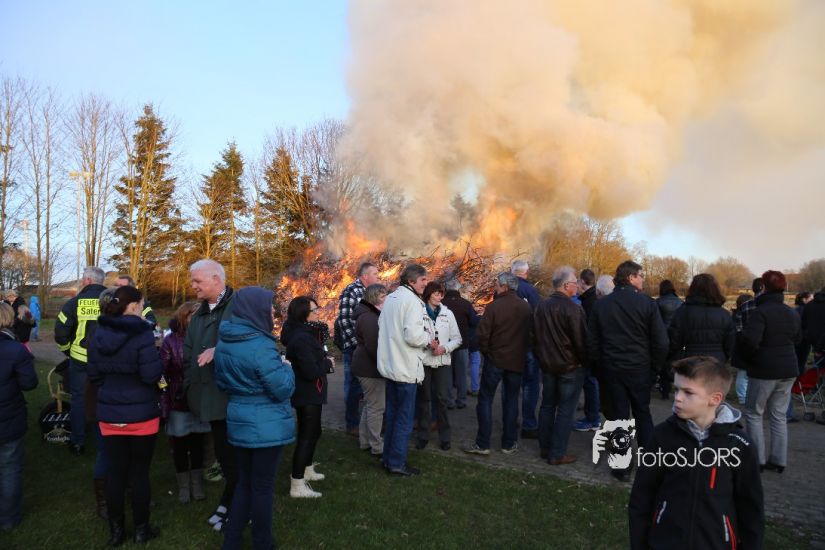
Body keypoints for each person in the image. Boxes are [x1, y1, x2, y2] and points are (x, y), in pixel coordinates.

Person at [628, 356, 764, 549]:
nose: (677, 397)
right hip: (665, 543)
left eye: (688, 392)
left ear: (714, 399)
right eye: (676, 389)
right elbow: (642, 495)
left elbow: (751, 508)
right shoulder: (662, 436)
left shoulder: (740, 445)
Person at [213, 287, 295, 549]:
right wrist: (287, 368)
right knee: (262, 488)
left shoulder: (224, 341)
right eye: (268, 306)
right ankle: (262, 543)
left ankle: (232, 541)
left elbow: (221, 383)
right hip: (266, 425)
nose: (272, 311)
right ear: (255, 309)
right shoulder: (261, 345)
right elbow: (282, 388)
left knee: (244, 484)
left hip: (239, 420)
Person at [87, 285, 163, 545]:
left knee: (116, 472)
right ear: (133, 306)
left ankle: (116, 532)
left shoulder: (98, 332)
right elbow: (151, 375)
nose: (142, 308)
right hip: (141, 414)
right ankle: (141, 529)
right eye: (141, 304)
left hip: (110, 413)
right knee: (139, 473)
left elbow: (94, 375)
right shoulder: (142, 334)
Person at [587, 261, 668, 481]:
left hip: (612, 369)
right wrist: (654, 369)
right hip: (639, 369)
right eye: (641, 275)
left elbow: (592, 343)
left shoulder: (602, 305)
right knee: (642, 413)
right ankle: (650, 465)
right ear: (631, 277)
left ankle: (622, 467)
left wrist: (599, 368)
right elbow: (661, 342)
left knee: (619, 417)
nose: (643, 279)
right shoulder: (647, 304)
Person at [183, 259, 237, 532]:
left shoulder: (239, 307)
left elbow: (255, 342)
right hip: (210, 399)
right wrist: (189, 386)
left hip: (233, 399)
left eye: (197, 281)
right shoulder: (199, 315)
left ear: (216, 279)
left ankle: (235, 506)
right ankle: (232, 502)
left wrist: (220, 350)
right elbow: (188, 354)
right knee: (226, 458)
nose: (193, 286)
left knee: (235, 458)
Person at [464, 272, 532, 456]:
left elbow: (482, 334)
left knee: (485, 399)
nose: (495, 287)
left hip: (495, 360)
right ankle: (508, 444)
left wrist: (487, 352)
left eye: (497, 285)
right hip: (515, 362)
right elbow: (530, 335)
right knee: (511, 401)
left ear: (504, 286)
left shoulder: (494, 306)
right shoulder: (525, 308)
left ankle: (482, 443)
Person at [377, 264, 436, 476]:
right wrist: (428, 339)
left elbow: (383, 326)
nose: (426, 284)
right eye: (423, 280)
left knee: (392, 416)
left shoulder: (391, 298)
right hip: (405, 368)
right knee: (403, 419)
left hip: (391, 366)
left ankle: (387, 458)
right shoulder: (411, 301)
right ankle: (396, 463)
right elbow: (413, 336)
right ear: (411, 281)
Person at [741, 270, 801, 473]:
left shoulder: (760, 313)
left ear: (763, 287)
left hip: (764, 370)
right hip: (789, 368)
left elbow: (751, 341)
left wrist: (748, 359)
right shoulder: (791, 313)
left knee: (754, 413)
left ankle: (756, 459)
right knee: (778, 415)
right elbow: (798, 338)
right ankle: (778, 459)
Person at [534, 266, 587, 465]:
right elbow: (581, 341)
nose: (577, 285)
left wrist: (541, 358)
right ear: (566, 286)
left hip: (548, 366)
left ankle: (545, 447)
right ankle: (557, 453)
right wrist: (583, 361)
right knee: (565, 409)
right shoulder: (573, 309)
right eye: (575, 282)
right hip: (569, 368)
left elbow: (534, 337)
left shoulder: (541, 306)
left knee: (547, 405)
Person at [281, 296, 332, 498]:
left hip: (312, 392)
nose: (318, 312)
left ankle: (308, 468)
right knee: (306, 437)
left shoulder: (304, 332)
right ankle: (297, 484)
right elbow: (310, 371)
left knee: (314, 432)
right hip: (307, 391)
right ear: (303, 314)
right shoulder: (301, 337)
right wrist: (327, 364)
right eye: (314, 310)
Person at [160, 302, 210, 504]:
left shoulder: (207, 339)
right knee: (180, 444)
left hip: (200, 398)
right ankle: (183, 485)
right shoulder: (170, 341)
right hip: (178, 399)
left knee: (198, 443)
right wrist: (166, 392)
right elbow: (161, 372)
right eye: (193, 315)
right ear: (184, 317)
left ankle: (196, 483)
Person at [55, 265, 107, 456]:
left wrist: (68, 351)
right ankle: (106, 442)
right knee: (104, 398)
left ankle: (78, 442)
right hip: (105, 361)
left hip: (79, 360)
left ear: (87, 280)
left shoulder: (74, 302)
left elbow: (61, 332)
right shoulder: (112, 302)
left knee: (79, 399)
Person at [663, 274, 734, 399]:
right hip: (716, 362)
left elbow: (674, 342)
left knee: (690, 398)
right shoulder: (724, 314)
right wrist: (723, 357)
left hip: (690, 361)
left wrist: (673, 359)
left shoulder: (682, 312)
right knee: (711, 399)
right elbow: (730, 344)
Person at [0, 302, 37, 531]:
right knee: (10, 468)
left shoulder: (15, 350)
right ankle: (8, 519)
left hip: (8, 414)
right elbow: (29, 383)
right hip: (9, 416)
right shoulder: (16, 350)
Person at [335, 262, 380, 437]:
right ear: (365, 276)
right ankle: (351, 423)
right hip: (355, 348)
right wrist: (358, 345)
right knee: (353, 386)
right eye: (375, 274)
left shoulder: (371, 292)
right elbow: (344, 321)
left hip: (368, 346)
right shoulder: (351, 290)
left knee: (366, 387)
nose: (378, 277)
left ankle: (367, 423)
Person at [415, 281, 462, 451]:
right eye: (436, 293)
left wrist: (444, 348)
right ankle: (423, 435)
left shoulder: (448, 314)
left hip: (442, 363)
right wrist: (428, 343)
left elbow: (457, 339)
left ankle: (445, 437)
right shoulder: (419, 312)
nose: (439, 297)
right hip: (425, 362)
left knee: (442, 399)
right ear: (428, 294)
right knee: (424, 400)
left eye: (441, 294)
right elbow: (414, 336)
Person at [352, 284, 388, 457]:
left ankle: (365, 441)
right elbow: (374, 347)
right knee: (376, 407)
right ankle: (377, 446)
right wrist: (386, 365)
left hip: (366, 366)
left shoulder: (369, 315)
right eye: (382, 296)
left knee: (370, 405)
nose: (386, 299)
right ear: (374, 298)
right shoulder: (369, 318)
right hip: (369, 368)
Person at [511, 260, 541, 439]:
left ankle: (510, 420)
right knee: (530, 384)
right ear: (526, 273)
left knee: (510, 384)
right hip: (528, 344)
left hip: (508, 345)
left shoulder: (502, 289)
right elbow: (538, 315)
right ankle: (529, 425)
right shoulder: (530, 291)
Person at [441, 279, 479, 409]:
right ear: (458, 289)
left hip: (445, 345)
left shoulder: (441, 303)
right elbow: (474, 322)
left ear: (445, 289)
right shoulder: (466, 304)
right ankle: (461, 400)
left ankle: (449, 400)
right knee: (462, 373)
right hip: (462, 344)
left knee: (447, 373)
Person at [573, 269, 602, 432]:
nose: (577, 284)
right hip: (592, 350)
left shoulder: (589, 302)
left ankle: (593, 419)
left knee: (590, 384)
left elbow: (588, 330)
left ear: (583, 282)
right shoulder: (592, 298)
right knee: (590, 383)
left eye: (578, 281)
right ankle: (592, 417)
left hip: (589, 352)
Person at [732, 278, 764, 410]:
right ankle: (758, 400)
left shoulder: (745, 306)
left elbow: (738, 329)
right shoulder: (773, 306)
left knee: (743, 374)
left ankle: (743, 398)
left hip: (746, 345)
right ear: (763, 287)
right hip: (766, 347)